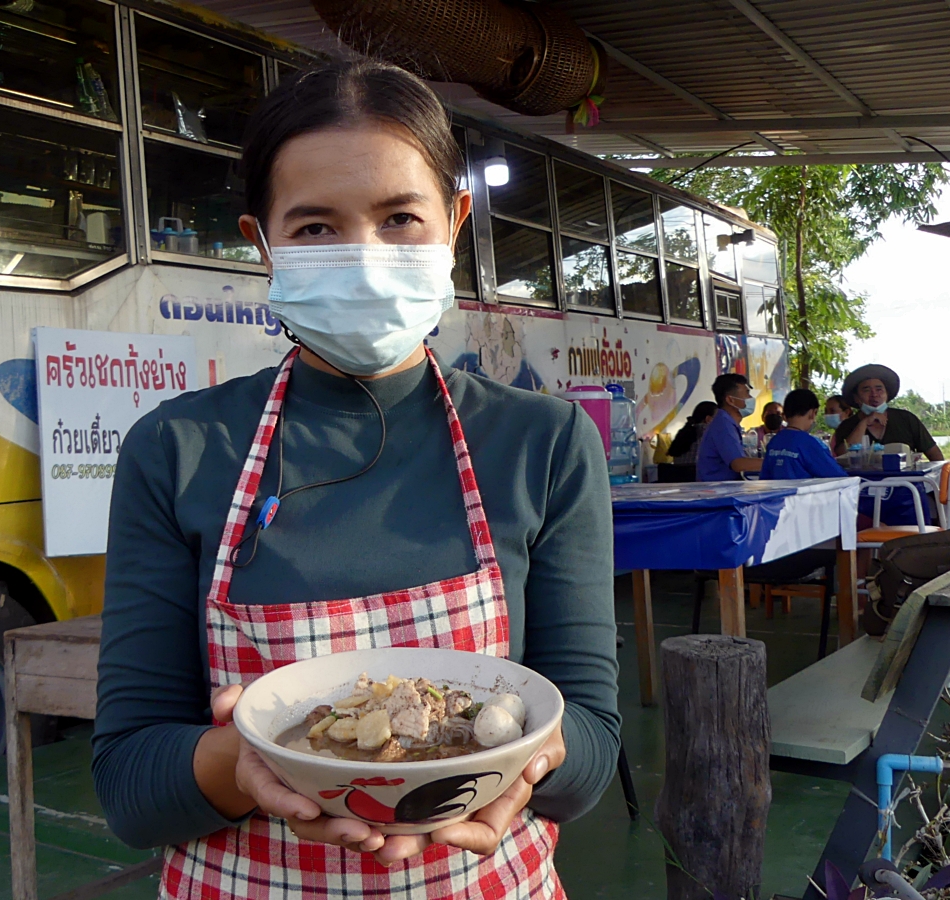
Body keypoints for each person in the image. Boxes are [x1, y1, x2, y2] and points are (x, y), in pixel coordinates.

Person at [91, 59, 620, 898]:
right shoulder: (177, 448)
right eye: (314, 228)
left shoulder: (543, 443)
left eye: (400, 218)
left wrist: (525, 760)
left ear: (455, 222)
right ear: (261, 244)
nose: (364, 258)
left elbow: (588, 750)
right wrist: (248, 762)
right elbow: (128, 785)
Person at [830, 363, 944, 461]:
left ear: (887, 394)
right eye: (867, 390)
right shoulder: (847, 426)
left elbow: (935, 455)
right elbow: (841, 455)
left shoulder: (906, 419)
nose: (874, 394)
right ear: (856, 398)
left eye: (879, 389)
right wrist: (864, 423)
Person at [762, 389, 848, 480]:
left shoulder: (774, 442)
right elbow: (837, 476)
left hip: (775, 489)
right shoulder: (810, 444)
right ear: (812, 413)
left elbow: (764, 478)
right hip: (801, 489)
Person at [697, 373, 764, 481]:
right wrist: (775, 463)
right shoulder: (723, 425)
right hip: (716, 488)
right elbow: (738, 463)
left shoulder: (727, 422)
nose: (751, 398)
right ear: (730, 400)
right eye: (747, 394)